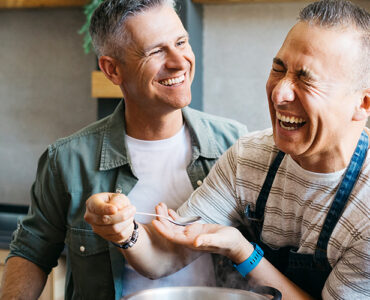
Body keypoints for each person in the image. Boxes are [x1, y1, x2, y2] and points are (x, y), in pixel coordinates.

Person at [84, 0, 370, 299]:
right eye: (278, 69)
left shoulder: (366, 210)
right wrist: (123, 231)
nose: (280, 93)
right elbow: (164, 255)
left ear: (362, 104)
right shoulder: (249, 159)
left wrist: (243, 251)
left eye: (306, 79)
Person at [0, 0, 248, 299]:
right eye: (156, 51)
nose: (179, 61)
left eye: (181, 42)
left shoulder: (235, 144)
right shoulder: (66, 160)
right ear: (112, 70)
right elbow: (31, 252)